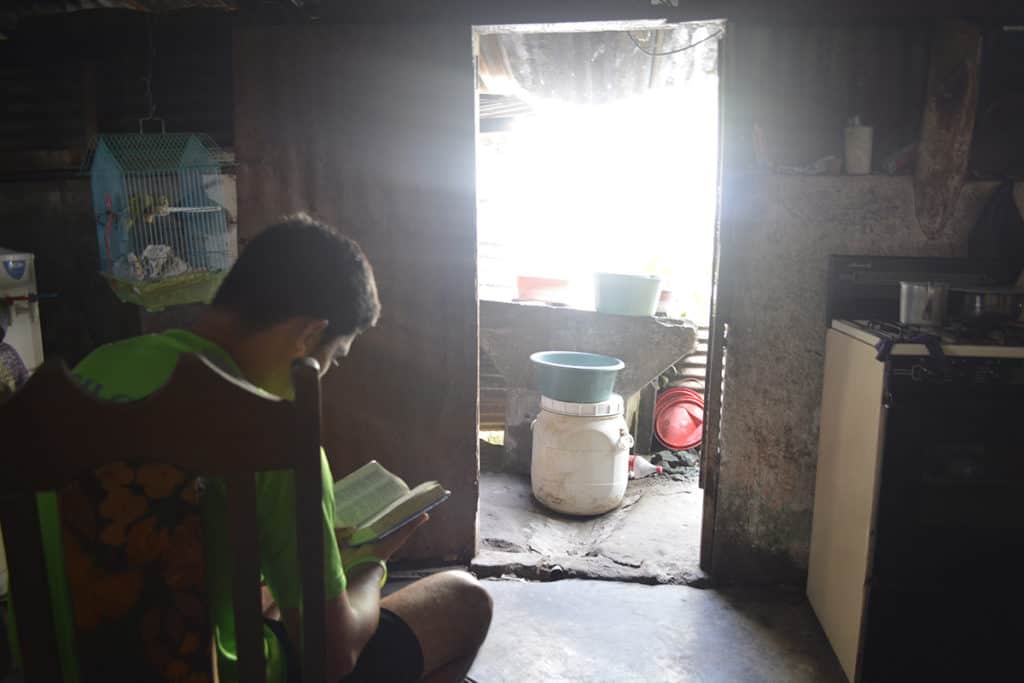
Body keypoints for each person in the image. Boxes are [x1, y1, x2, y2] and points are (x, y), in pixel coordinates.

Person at [71, 214, 492, 682]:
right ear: (308, 336)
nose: (327, 374)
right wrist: (372, 564)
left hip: (78, 663)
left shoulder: (91, 372)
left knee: (270, 596)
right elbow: (332, 659)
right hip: (221, 673)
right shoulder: (271, 432)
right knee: (465, 598)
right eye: (333, 358)